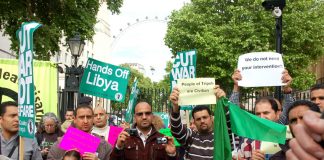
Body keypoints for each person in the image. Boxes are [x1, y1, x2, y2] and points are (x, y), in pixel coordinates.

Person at [169, 85, 225, 160]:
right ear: (194, 122)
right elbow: (177, 131)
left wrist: (223, 102)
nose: (202, 121)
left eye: (205, 117)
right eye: (198, 119)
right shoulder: (191, 136)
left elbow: (227, 122)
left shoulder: (220, 137)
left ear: (211, 118)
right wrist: (175, 107)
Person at [110, 102, 177, 160]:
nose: (144, 117)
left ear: (152, 115)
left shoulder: (163, 139)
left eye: (147, 113)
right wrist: (118, 148)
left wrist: (172, 155)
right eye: (140, 114)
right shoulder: (125, 138)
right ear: (135, 117)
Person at [47, 104, 112, 160]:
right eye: (81, 117)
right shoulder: (60, 144)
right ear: (74, 119)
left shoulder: (104, 146)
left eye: (89, 117)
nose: (85, 121)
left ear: (93, 119)